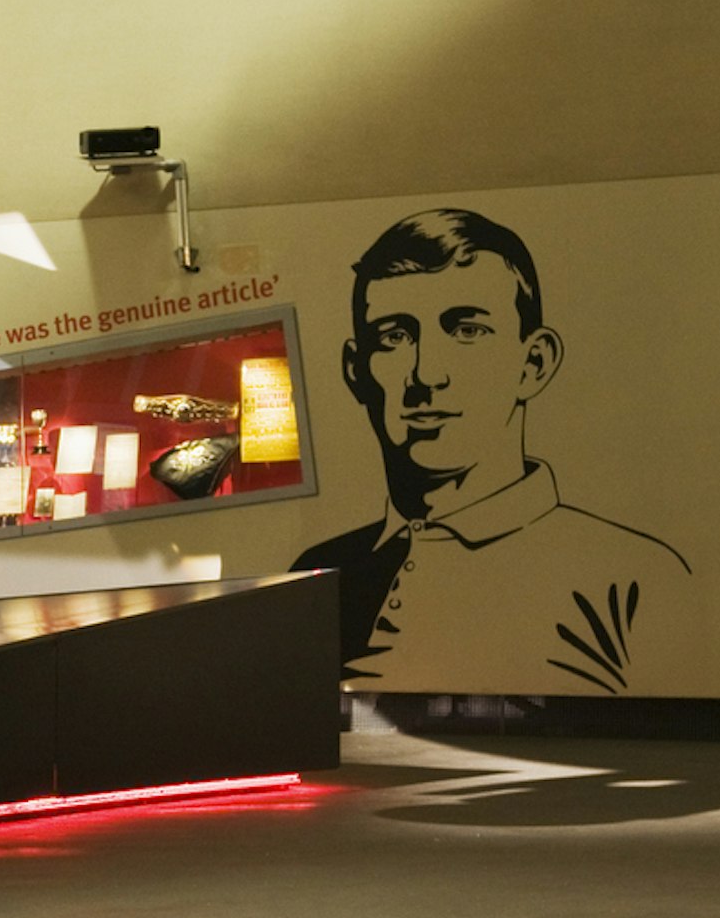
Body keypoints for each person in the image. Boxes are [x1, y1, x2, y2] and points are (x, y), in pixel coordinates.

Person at [288, 209, 686, 694]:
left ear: (533, 363)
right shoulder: (318, 575)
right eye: (395, 337)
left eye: (467, 330)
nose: (427, 375)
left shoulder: (633, 578)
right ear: (357, 372)